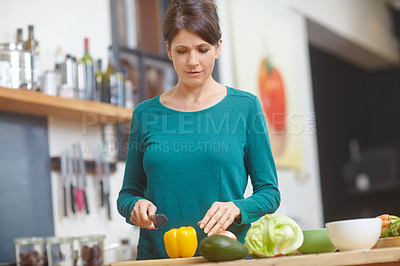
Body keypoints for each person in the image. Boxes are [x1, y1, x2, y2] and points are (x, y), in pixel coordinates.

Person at [117, 0, 280, 260]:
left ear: (218, 48)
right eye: (182, 51)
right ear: (169, 51)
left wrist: (236, 208)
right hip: (158, 260)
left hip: (225, 256)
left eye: (202, 49)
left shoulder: (244, 107)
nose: (193, 61)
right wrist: (135, 206)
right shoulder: (144, 115)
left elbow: (270, 193)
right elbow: (127, 194)